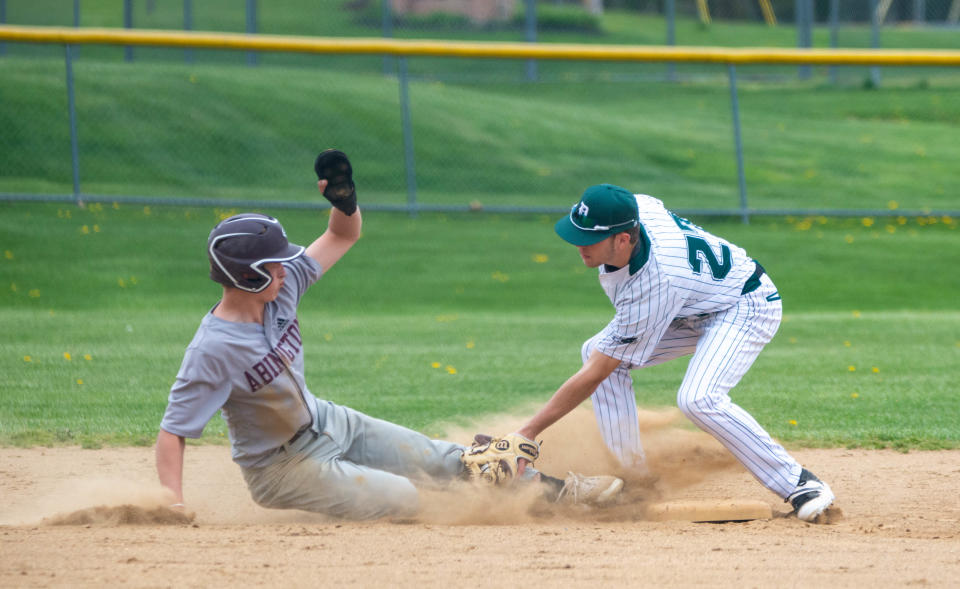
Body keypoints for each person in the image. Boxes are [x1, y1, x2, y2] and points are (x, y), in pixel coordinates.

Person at [154, 153, 623, 520]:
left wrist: (344, 203)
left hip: (326, 420)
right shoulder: (213, 349)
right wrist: (171, 504)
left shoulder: (282, 289)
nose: (285, 267)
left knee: (446, 460)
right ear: (248, 276)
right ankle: (458, 507)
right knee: (400, 496)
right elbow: (173, 432)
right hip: (279, 467)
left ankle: (556, 493)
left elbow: (341, 236)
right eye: (272, 264)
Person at [512, 183, 835, 523]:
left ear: (623, 239)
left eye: (589, 238)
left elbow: (598, 371)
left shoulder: (655, 281)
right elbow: (648, 203)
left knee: (698, 398)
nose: (578, 245)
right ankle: (634, 482)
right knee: (597, 351)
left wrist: (528, 432)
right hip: (691, 307)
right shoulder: (636, 212)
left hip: (745, 306)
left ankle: (801, 484)